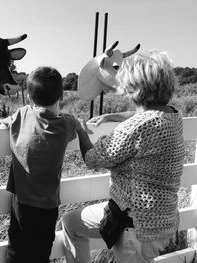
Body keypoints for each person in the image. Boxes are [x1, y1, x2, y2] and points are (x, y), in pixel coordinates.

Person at [62, 50, 185, 263]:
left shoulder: (135, 128)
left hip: (136, 225)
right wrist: (112, 116)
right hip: (164, 219)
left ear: (135, 87)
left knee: (71, 224)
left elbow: (93, 159)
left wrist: (81, 131)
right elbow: (147, 112)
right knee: (71, 222)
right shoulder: (174, 115)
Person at [0, 66, 82, 263]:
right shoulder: (66, 124)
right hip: (47, 206)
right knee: (40, 252)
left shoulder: (22, 114)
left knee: (16, 250)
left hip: (22, 203)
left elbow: (3, 123)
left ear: (29, 97)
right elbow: (74, 127)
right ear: (61, 96)